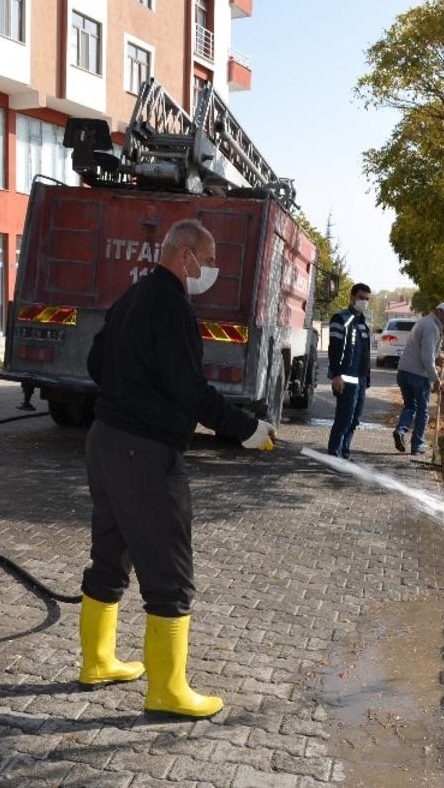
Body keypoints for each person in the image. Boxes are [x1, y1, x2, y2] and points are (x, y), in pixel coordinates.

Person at [81, 219, 277, 718]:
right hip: (144, 456)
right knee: (169, 570)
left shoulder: (132, 297)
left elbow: (95, 362)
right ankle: (167, 690)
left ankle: (97, 661)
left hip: (105, 444)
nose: (210, 270)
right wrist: (245, 429)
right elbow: (191, 391)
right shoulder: (171, 306)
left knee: (110, 554)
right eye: (209, 260)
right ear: (185, 255)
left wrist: (130, 395)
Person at [393, 302, 444, 455]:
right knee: (423, 410)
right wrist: (436, 379)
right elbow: (426, 357)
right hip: (418, 375)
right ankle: (417, 444)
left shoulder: (423, 322)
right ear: (438, 311)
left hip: (403, 371)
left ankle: (400, 430)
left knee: (409, 406)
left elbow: (427, 351)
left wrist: (438, 357)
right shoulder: (432, 327)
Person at [327, 283, 372, 459]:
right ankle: (334, 458)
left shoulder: (363, 324)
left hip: (360, 380)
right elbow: (334, 349)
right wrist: (337, 375)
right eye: (361, 298)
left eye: (367, 299)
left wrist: (366, 379)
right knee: (343, 420)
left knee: (354, 420)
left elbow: (365, 353)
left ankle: (344, 454)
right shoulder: (341, 319)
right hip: (345, 378)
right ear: (352, 297)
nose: (364, 302)